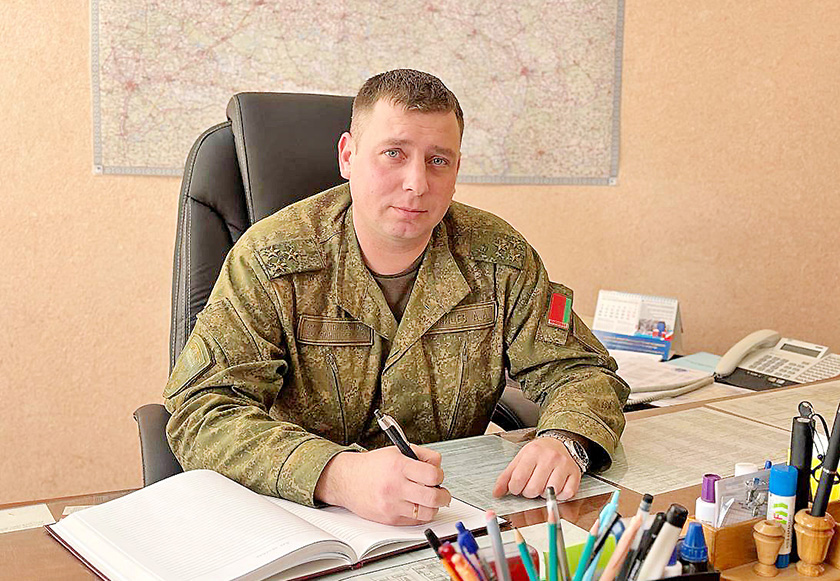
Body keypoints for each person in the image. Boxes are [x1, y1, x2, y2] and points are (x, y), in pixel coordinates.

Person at [163, 69, 629, 526]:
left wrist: (566, 439)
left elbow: (581, 369)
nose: (417, 183)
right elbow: (202, 412)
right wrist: (337, 475)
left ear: (457, 169)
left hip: (451, 518)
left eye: (438, 160)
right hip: (307, 523)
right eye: (393, 154)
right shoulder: (271, 259)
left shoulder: (499, 259)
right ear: (348, 156)